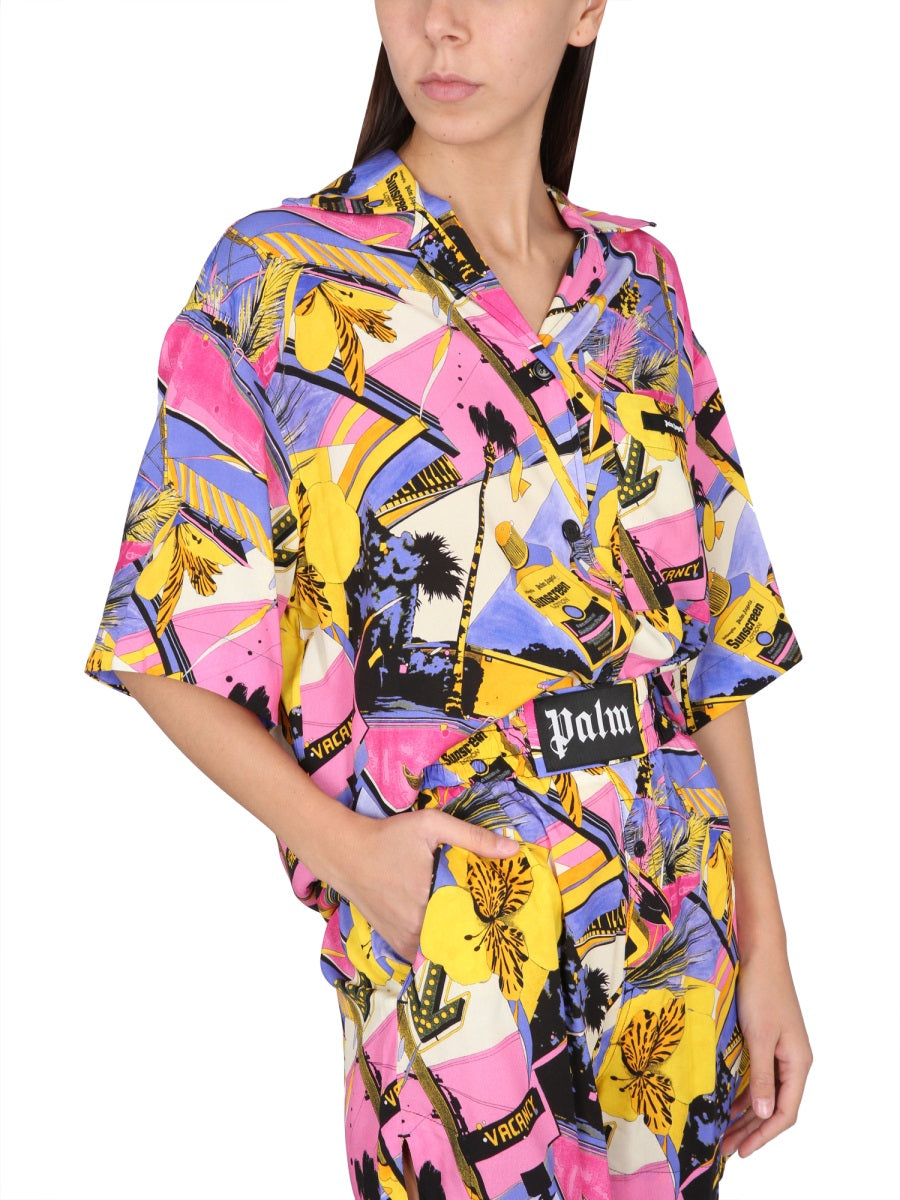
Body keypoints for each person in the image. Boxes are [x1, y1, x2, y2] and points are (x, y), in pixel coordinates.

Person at [85, 1, 812, 1196]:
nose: (440, 21)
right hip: (456, 947)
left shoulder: (640, 290)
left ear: (586, 10)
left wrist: (767, 945)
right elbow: (163, 631)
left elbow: (712, 649)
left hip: (675, 934)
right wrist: (356, 859)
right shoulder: (283, 278)